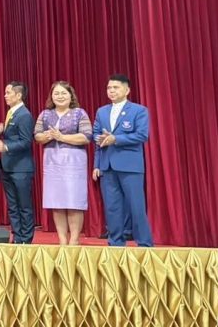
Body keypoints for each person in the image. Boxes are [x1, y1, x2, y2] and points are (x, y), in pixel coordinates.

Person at [92, 73, 153, 247]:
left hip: (130, 166)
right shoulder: (102, 111)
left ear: (127, 90)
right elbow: (96, 136)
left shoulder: (139, 110)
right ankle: (116, 243)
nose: (111, 91)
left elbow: (141, 135)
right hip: (107, 166)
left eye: (116, 87)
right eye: (109, 88)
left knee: (136, 206)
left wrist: (116, 139)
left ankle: (145, 244)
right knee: (112, 207)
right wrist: (97, 164)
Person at [33, 81, 91, 245]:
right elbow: (37, 135)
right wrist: (48, 136)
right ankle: (62, 240)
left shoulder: (79, 113)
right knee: (56, 201)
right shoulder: (45, 114)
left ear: (71, 96)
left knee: (74, 201)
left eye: (64, 93)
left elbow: (86, 136)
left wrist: (62, 137)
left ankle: (74, 240)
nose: (60, 96)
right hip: (52, 160)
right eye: (56, 93)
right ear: (51, 96)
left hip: (74, 160)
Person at [0, 81, 35, 244]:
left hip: (21, 168)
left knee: (24, 205)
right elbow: (13, 135)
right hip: (8, 166)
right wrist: (2, 131)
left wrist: (6, 146)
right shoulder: (11, 112)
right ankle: (17, 237)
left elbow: (26, 141)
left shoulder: (24, 115)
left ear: (18, 95)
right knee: (12, 206)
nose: (5, 96)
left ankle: (26, 238)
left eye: (8, 92)